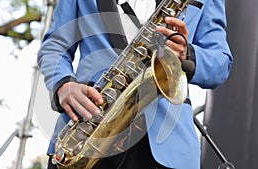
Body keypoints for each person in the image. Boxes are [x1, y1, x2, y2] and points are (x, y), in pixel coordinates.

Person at [37, 0, 233, 168]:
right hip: (86, 131)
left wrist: (187, 53)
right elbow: (55, 45)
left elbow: (221, 63)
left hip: (167, 145)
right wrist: (63, 85)